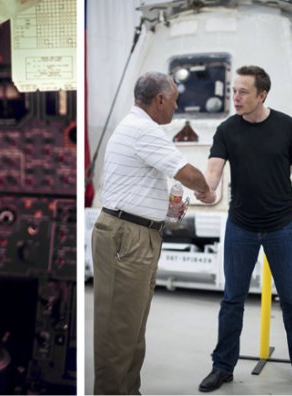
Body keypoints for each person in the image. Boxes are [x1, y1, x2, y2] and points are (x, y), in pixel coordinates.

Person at [197, 65, 292, 395]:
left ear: (262, 94)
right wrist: (206, 190)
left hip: (281, 225)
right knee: (232, 301)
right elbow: (213, 172)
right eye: (233, 91)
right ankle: (222, 367)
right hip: (241, 226)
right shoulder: (227, 130)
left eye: (243, 92)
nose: (236, 97)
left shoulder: (287, 127)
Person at [92, 71, 213, 395]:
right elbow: (187, 173)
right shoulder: (143, 129)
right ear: (159, 99)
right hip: (126, 237)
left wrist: (165, 207)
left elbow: (146, 183)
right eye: (174, 100)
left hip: (137, 235)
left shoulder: (138, 128)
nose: (176, 107)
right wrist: (207, 190)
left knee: (132, 329)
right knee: (118, 332)